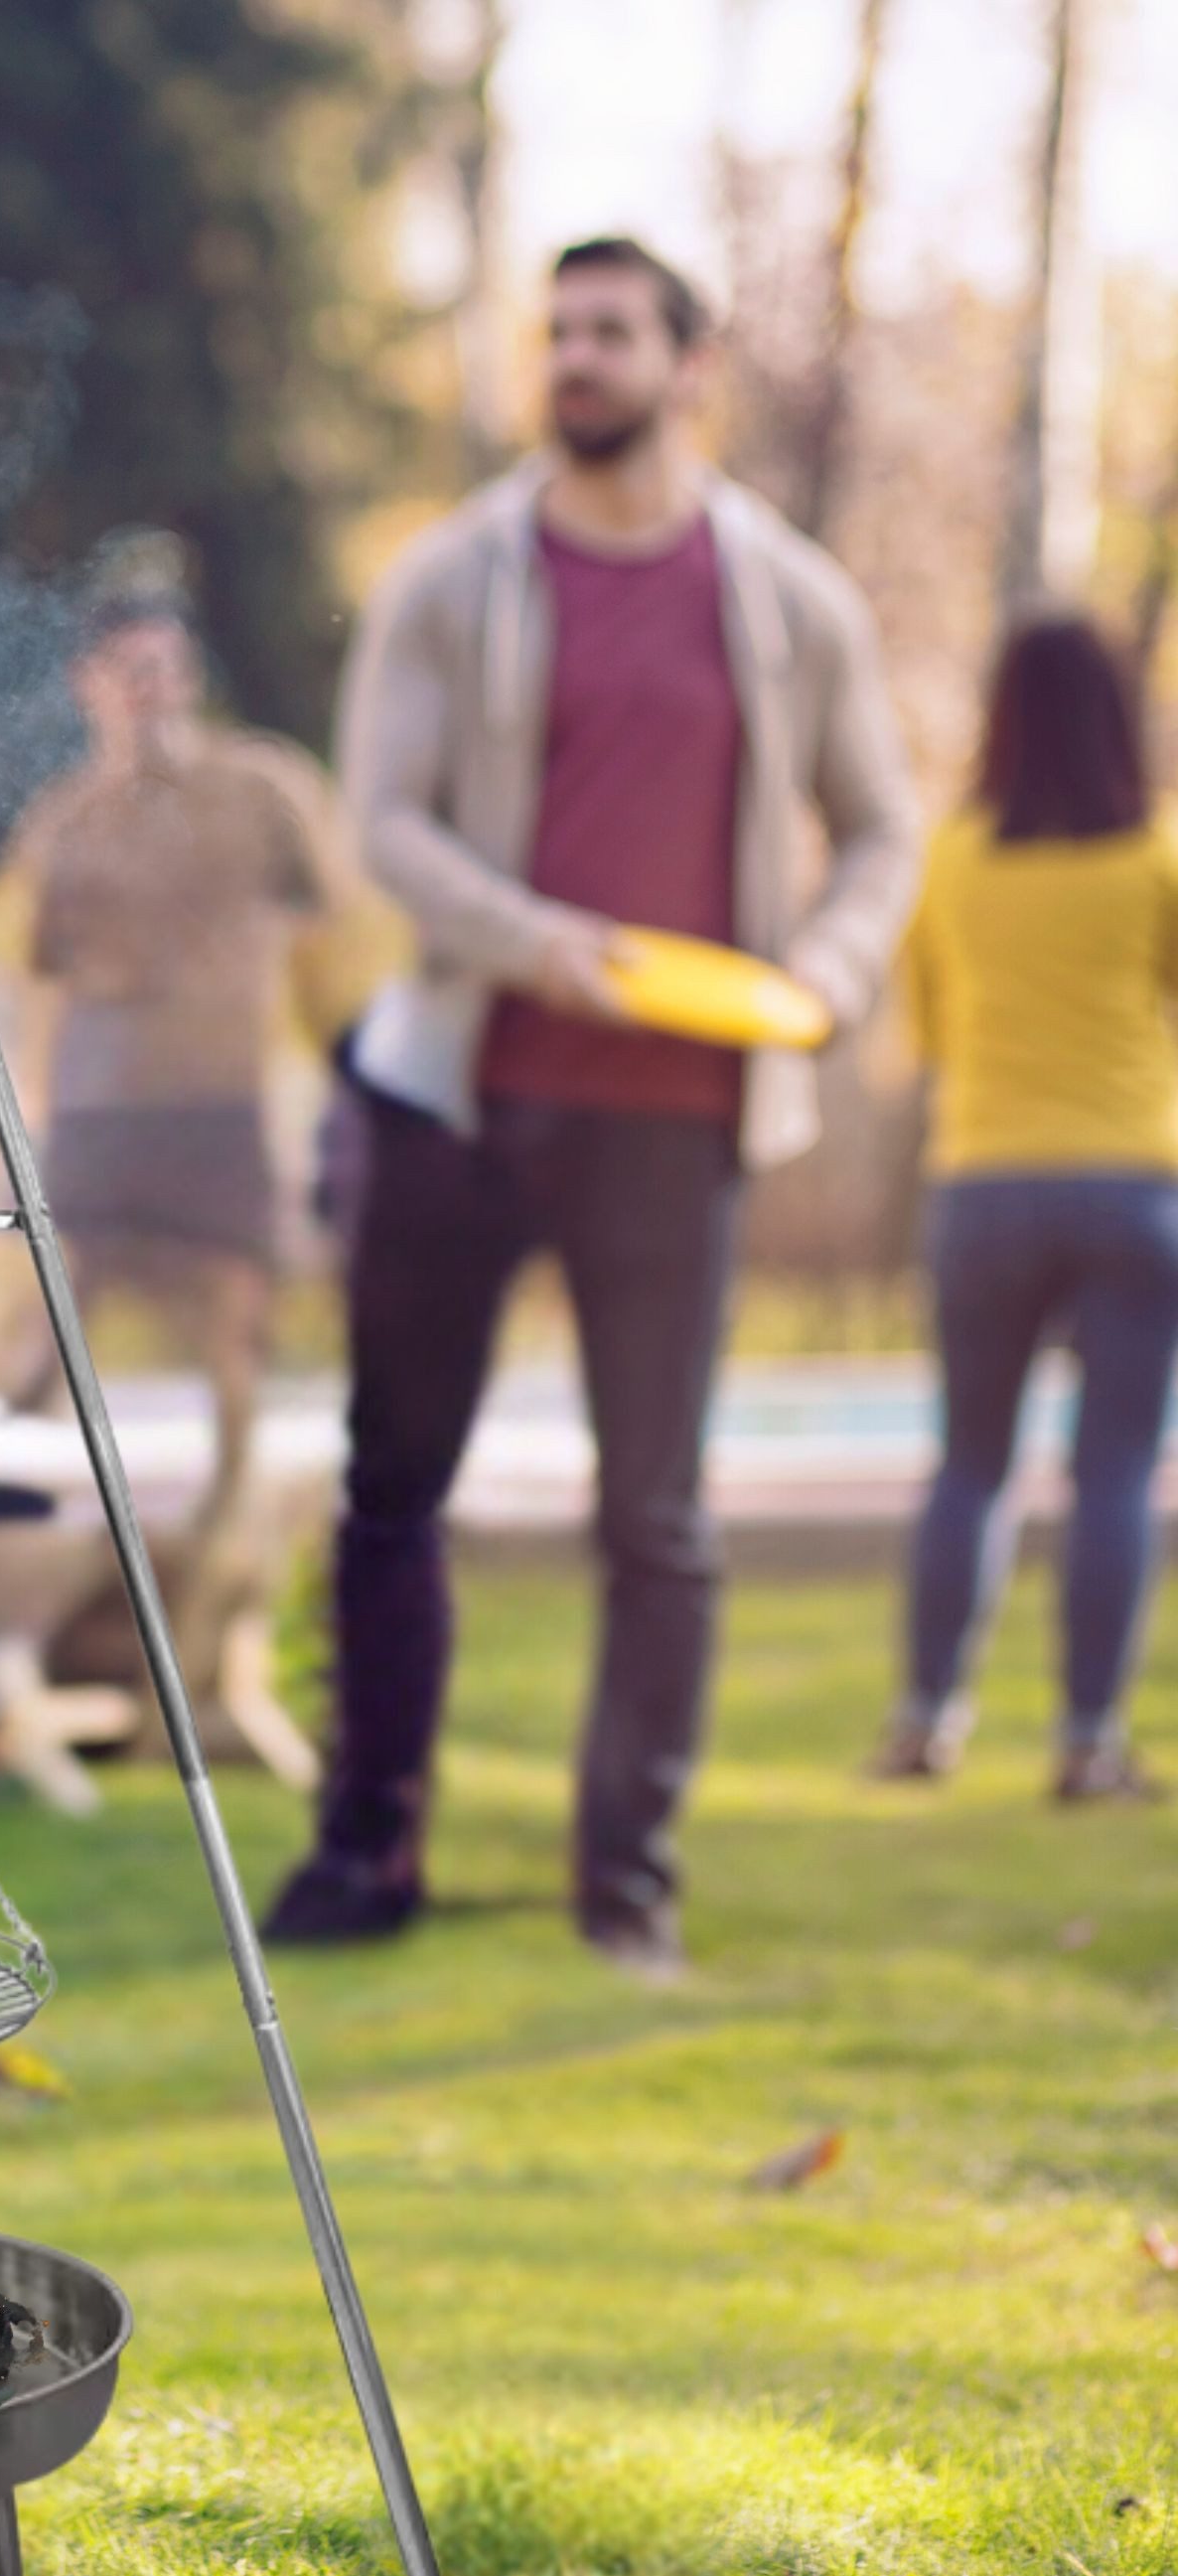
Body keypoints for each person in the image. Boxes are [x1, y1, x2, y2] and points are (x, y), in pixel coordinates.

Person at [264, 234, 919, 1975]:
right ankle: (363, 1858)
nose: (575, 358)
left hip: (678, 1116)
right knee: (392, 1484)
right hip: (452, 1099)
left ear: (691, 367)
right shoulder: (453, 575)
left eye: (612, 332)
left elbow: (884, 828)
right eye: (558, 331)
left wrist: (833, 983)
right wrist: (539, 944)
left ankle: (626, 1888)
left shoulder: (786, 596)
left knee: (660, 1519)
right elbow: (384, 818)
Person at [0, 530, 360, 1778]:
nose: (148, 692)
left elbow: (339, 949)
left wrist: (348, 1104)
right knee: (44, 1374)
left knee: (237, 1383)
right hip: (99, 1135)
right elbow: (26, 988)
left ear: (187, 674)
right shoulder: (63, 826)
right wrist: (21, 1156)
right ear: (92, 686)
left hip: (220, 1124)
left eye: (164, 668)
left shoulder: (265, 793)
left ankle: (195, 1679)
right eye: (122, 672)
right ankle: (0, 1648)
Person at [876, 615, 1178, 1801]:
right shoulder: (1154, 856)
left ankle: (924, 1721)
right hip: (1132, 1192)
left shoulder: (951, 859)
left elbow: (926, 1032)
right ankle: (1087, 1741)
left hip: (984, 1186)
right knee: (1112, 1472)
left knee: (970, 1462)